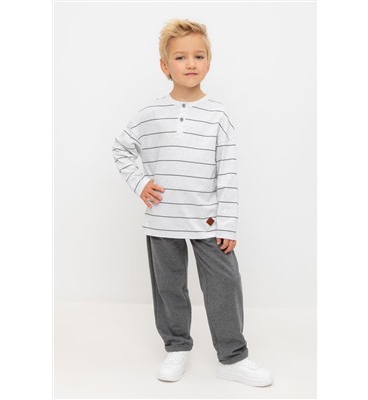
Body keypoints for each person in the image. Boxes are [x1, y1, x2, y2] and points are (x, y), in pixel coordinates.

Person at [112, 18, 273, 387]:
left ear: (209, 62)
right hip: (162, 218)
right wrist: (141, 183)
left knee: (224, 284)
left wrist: (228, 223)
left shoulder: (218, 116)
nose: (190, 63)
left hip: (209, 220)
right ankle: (177, 348)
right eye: (180, 57)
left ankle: (232, 357)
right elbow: (121, 149)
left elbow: (227, 173)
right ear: (164, 66)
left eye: (199, 56)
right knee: (169, 287)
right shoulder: (150, 114)